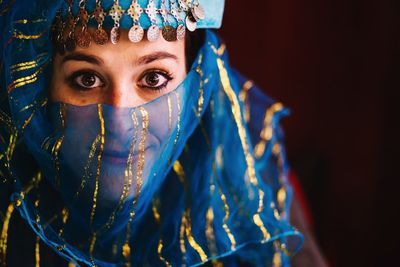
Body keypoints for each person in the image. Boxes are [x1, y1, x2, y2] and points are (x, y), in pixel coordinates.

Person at [0, 0, 327, 266]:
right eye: (86, 79)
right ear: (40, 90)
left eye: (154, 79)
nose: (119, 121)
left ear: (196, 86)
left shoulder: (248, 181)